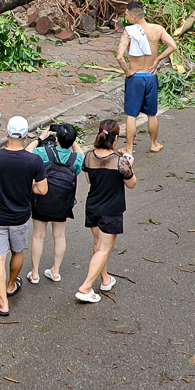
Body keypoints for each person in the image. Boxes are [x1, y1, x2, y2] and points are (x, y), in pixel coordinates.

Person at [0, 116, 47, 317]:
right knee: (17, 251)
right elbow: (42, 189)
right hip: (20, 216)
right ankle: (11, 285)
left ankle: (3, 304)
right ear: (26, 136)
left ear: (7, 133)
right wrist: (29, 186)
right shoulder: (34, 160)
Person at [76, 119, 136, 303]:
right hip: (111, 210)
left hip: (93, 206)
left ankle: (105, 279)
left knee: (98, 245)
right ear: (116, 139)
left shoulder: (87, 156)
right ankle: (85, 288)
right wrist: (130, 165)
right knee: (103, 249)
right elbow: (131, 184)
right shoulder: (121, 162)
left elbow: (88, 179)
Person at [115, 1, 176, 155]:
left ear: (134, 17)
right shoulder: (158, 29)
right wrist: (157, 60)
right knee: (151, 113)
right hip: (150, 75)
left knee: (131, 114)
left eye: (127, 15)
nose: (126, 17)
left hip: (135, 77)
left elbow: (119, 56)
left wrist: (127, 71)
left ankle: (129, 148)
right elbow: (172, 46)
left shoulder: (129, 31)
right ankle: (154, 144)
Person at [25, 123, 82, 284]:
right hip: (63, 203)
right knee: (59, 236)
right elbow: (81, 154)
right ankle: (55, 271)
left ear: (56, 139)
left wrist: (39, 139)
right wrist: (72, 142)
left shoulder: (43, 152)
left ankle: (34, 274)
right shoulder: (75, 158)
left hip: (41, 199)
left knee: (38, 235)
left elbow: (27, 153)